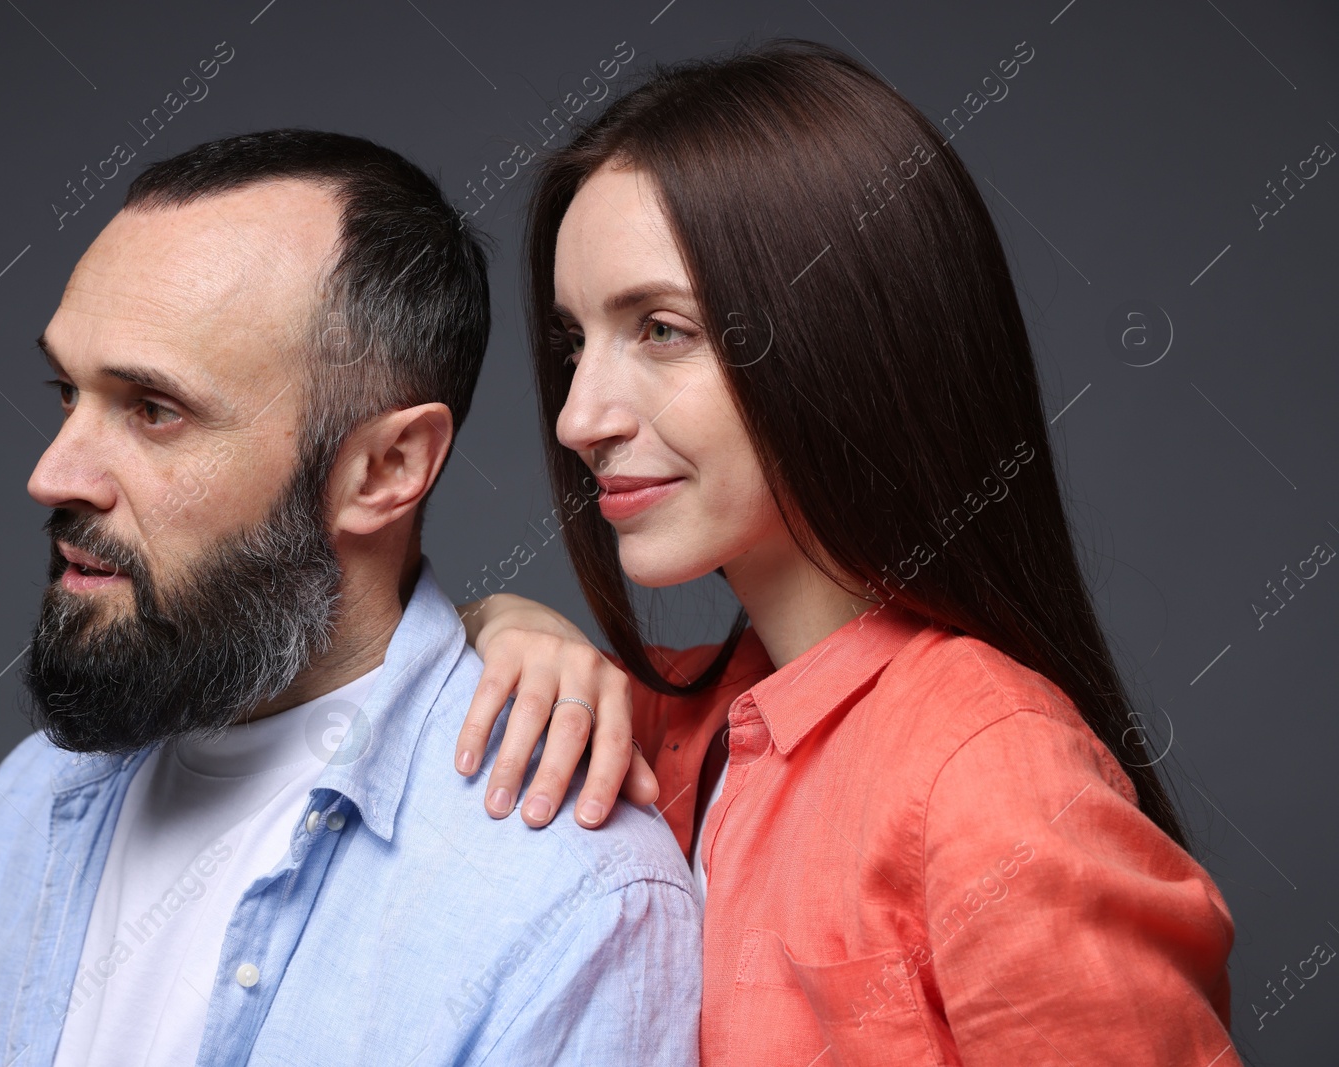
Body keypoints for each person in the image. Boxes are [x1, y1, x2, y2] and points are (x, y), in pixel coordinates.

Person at [452, 40, 1241, 1066]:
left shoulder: (992, 778)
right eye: (573, 344)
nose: (577, 416)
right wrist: (505, 626)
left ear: (835, 334)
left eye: (659, 329)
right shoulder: (651, 726)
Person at [0, 129, 702, 1067]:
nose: (53, 472)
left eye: (154, 410)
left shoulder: (568, 906)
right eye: (66, 392)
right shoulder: (20, 809)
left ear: (384, 469)